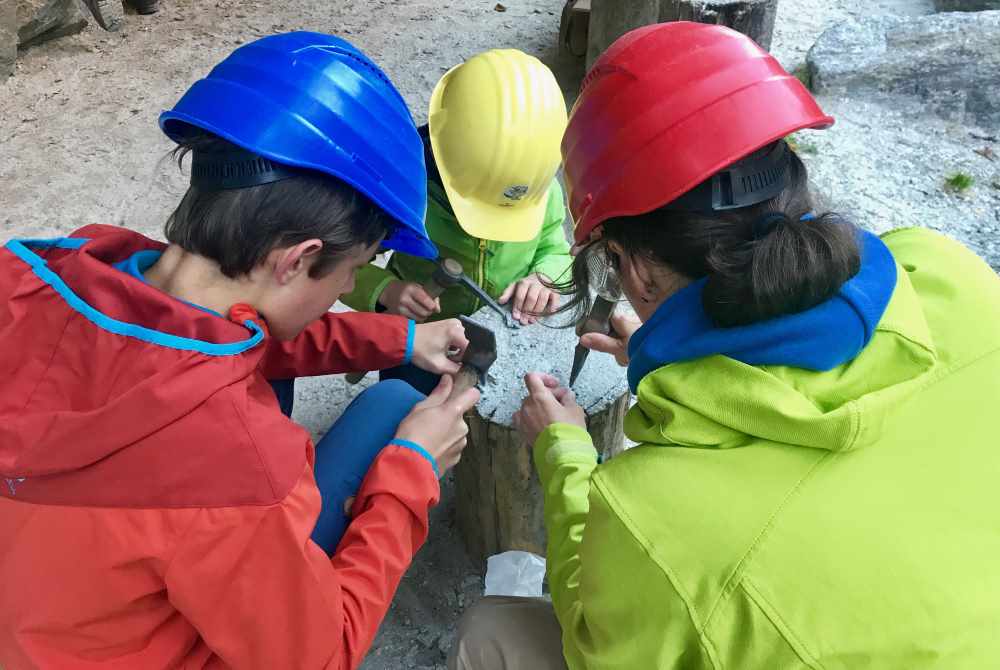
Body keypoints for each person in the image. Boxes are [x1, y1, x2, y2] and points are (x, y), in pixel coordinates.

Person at [450, 21, 1000, 669]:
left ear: (638, 269)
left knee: (490, 630)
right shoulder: (947, 271)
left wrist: (563, 449)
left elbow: (593, 634)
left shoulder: (657, 519)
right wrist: (679, 354)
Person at [0, 32, 481, 669]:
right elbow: (324, 654)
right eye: (352, 271)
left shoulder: (42, 275)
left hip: (47, 619)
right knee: (391, 404)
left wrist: (400, 337)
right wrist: (411, 472)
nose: (347, 290)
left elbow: (210, 344)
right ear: (299, 259)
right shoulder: (239, 468)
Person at [341, 48, 572, 393]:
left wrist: (545, 277)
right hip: (421, 335)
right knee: (404, 398)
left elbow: (556, 246)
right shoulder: (402, 192)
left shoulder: (537, 188)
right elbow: (341, 264)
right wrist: (386, 291)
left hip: (496, 337)